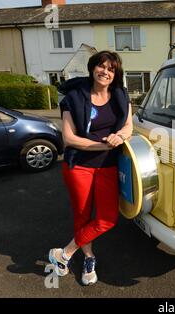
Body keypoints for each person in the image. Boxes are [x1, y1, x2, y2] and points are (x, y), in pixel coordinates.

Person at [48, 51, 133, 286]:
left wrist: (119, 136)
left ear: (116, 73)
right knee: (83, 215)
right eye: (101, 66)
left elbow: (128, 127)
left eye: (111, 69)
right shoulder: (73, 97)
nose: (105, 72)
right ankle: (89, 257)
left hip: (108, 165)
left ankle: (64, 253)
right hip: (80, 167)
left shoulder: (120, 95)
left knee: (107, 218)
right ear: (92, 68)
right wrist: (101, 145)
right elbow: (69, 138)